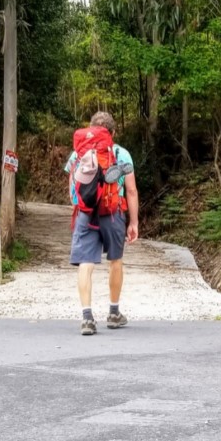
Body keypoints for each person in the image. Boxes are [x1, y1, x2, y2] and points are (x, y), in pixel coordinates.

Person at [64, 111, 139, 335]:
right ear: (112, 132)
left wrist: (82, 206)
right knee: (115, 261)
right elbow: (132, 190)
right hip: (113, 212)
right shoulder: (121, 153)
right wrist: (133, 222)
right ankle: (114, 313)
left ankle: (87, 318)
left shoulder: (77, 153)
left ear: (90, 128)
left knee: (86, 263)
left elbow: (72, 191)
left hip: (86, 214)